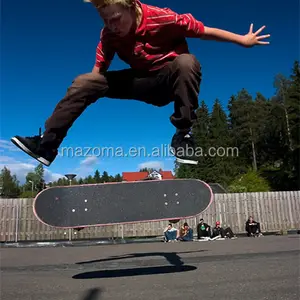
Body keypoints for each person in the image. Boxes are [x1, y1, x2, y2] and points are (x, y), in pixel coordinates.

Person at [10, 0, 270, 166]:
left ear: (131, 6)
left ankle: (184, 135)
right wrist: (87, 93)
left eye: (116, 19)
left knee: (186, 62)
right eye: (105, 21)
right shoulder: (109, 36)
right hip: (141, 84)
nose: (111, 26)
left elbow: (205, 31)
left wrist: (242, 40)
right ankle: (47, 145)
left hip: (170, 80)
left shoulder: (163, 17)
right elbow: (97, 74)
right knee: (84, 81)